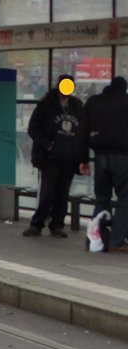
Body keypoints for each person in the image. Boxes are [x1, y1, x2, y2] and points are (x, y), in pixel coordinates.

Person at [25, 74, 88, 238]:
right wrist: (48, 145)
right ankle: (37, 223)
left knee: (62, 193)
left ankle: (57, 224)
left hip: (69, 157)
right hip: (49, 157)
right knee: (47, 192)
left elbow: (83, 131)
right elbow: (33, 129)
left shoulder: (77, 106)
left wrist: (82, 157)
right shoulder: (46, 105)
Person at [85, 75, 128, 253]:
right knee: (124, 199)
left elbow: (83, 130)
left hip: (100, 155)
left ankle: (94, 240)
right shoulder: (126, 102)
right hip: (123, 156)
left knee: (102, 198)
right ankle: (116, 241)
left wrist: (82, 158)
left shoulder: (94, 102)